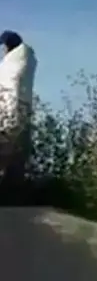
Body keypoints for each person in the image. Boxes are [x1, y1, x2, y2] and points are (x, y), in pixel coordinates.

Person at [0, 30, 37, 186]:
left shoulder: (12, 63)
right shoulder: (27, 61)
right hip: (23, 111)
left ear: (9, 46)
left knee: (7, 149)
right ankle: (15, 187)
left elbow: (7, 83)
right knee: (17, 155)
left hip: (9, 111)